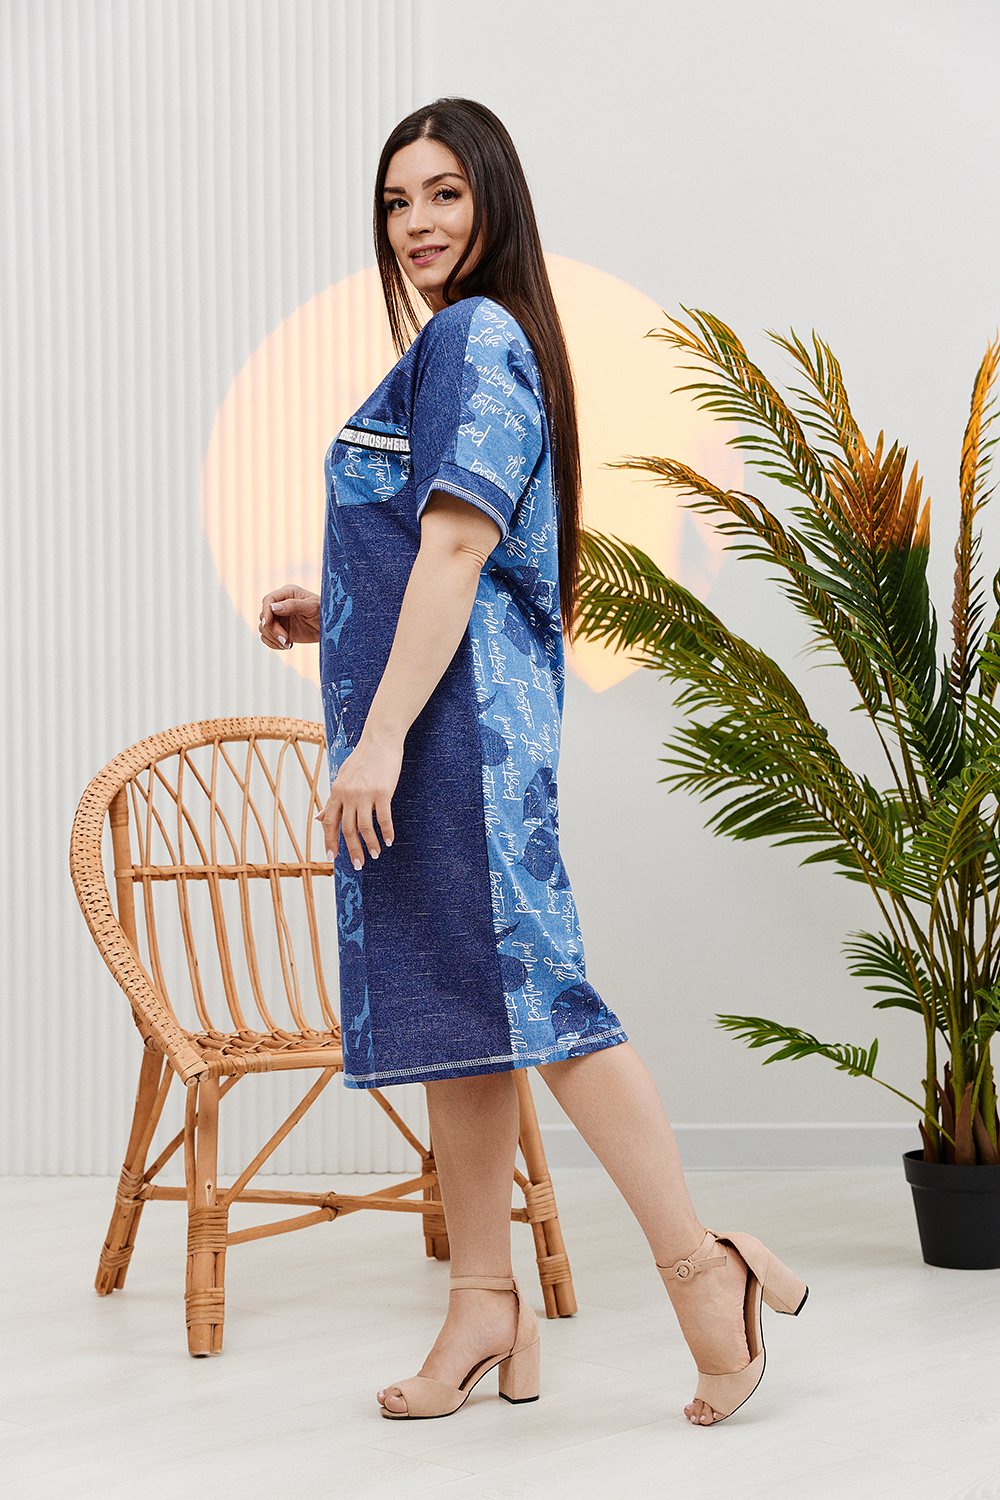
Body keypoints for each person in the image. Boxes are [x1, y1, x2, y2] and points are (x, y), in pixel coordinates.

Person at [259, 97, 806, 1426]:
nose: (417, 224)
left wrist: (380, 737)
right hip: (438, 720)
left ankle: (706, 1274)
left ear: (494, 198)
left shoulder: (478, 335)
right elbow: (464, 552)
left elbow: (459, 549)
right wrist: (339, 609)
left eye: (444, 193)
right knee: (465, 1018)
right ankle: (482, 1307)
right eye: (397, 201)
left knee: (539, 1001)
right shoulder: (460, 344)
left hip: (453, 743)